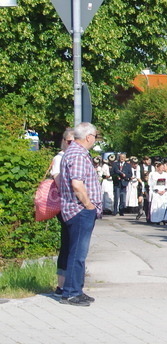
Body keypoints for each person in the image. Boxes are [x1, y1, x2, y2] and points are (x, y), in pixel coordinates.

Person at [58, 123, 102, 306]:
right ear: (89, 137)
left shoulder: (76, 153)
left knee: (77, 252)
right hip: (79, 210)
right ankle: (71, 293)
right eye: (95, 137)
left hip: (78, 210)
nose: (95, 140)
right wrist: (89, 205)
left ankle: (77, 289)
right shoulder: (77, 154)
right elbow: (77, 184)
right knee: (77, 253)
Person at [50, 128, 75, 297]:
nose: (72, 145)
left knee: (74, 245)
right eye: (69, 141)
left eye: (75, 141)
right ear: (63, 141)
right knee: (67, 244)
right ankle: (61, 284)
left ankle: (71, 282)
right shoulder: (59, 158)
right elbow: (60, 182)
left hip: (74, 204)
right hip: (65, 205)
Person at [148, 159, 167, 224]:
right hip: (156, 192)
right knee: (156, 206)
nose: (162, 169)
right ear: (158, 167)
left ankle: (164, 219)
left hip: (164, 192)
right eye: (161, 167)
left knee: (164, 206)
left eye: (163, 168)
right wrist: (157, 191)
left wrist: (164, 190)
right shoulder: (153, 174)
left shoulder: (165, 175)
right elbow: (151, 184)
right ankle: (156, 220)